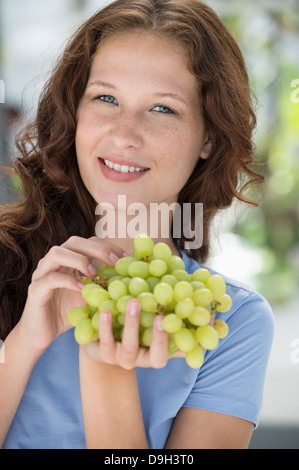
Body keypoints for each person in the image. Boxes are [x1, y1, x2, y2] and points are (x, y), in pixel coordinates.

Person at [0, 0, 274, 449]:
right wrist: (24, 341)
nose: (125, 134)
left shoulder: (233, 323)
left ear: (208, 137)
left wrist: (106, 368)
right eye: (106, 98)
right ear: (75, 114)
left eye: (162, 108)